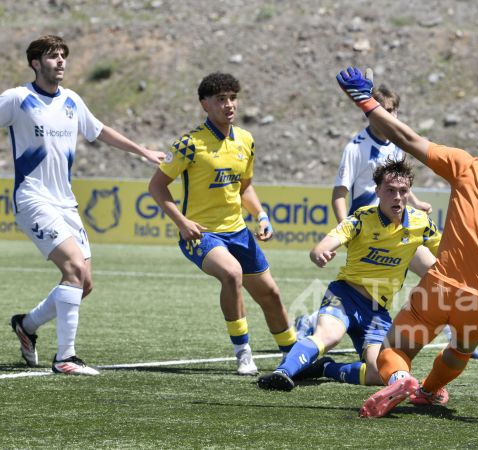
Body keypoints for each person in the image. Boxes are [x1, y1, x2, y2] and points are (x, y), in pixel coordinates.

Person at [336, 67, 478, 418]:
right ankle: (429, 391)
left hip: (440, 287)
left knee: (394, 349)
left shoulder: (467, 165)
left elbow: (406, 138)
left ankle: (401, 378)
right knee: (460, 349)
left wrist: (365, 101)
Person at [3, 35, 164, 375]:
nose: (61, 61)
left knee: (83, 283)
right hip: (33, 198)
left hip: (66, 203)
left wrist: (143, 151)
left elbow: (101, 131)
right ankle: (66, 358)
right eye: (52, 56)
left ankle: (27, 326)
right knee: (74, 268)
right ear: (35, 63)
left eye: (63, 55)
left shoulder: (72, 100)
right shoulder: (18, 98)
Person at [297, 84, 478, 359]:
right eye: (384, 111)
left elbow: (399, 186)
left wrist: (416, 203)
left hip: (400, 230)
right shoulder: (356, 147)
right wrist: (345, 232)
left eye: (393, 111)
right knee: (398, 283)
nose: (389, 116)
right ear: (371, 113)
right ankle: (313, 322)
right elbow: (339, 194)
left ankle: (456, 337)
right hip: (369, 233)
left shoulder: (397, 146)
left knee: (438, 275)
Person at [148, 72, 297, 376]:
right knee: (231, 273)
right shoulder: (189, 144)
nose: (229, 105)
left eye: (232, 98)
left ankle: (294, 356)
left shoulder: (246, 140)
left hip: (238, 231)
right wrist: (182, 222)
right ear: (205, 104)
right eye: (220, 99)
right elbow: (157, 186)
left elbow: (244, 188)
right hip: (201, 233)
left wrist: (261, 215)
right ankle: (243, 353)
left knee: (270, 294)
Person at [257, 158, 442, 391]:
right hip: (345, 295)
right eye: (390, 190)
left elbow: (446, 253)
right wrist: (319, 254)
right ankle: (282, 373)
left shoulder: (421, 223)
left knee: (380, 372)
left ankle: (326, 368)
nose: (397, 197)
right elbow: (321, 247)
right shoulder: (361, 219)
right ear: (377, 191)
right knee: (329, 336)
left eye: (403, 191)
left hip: (376, 310)